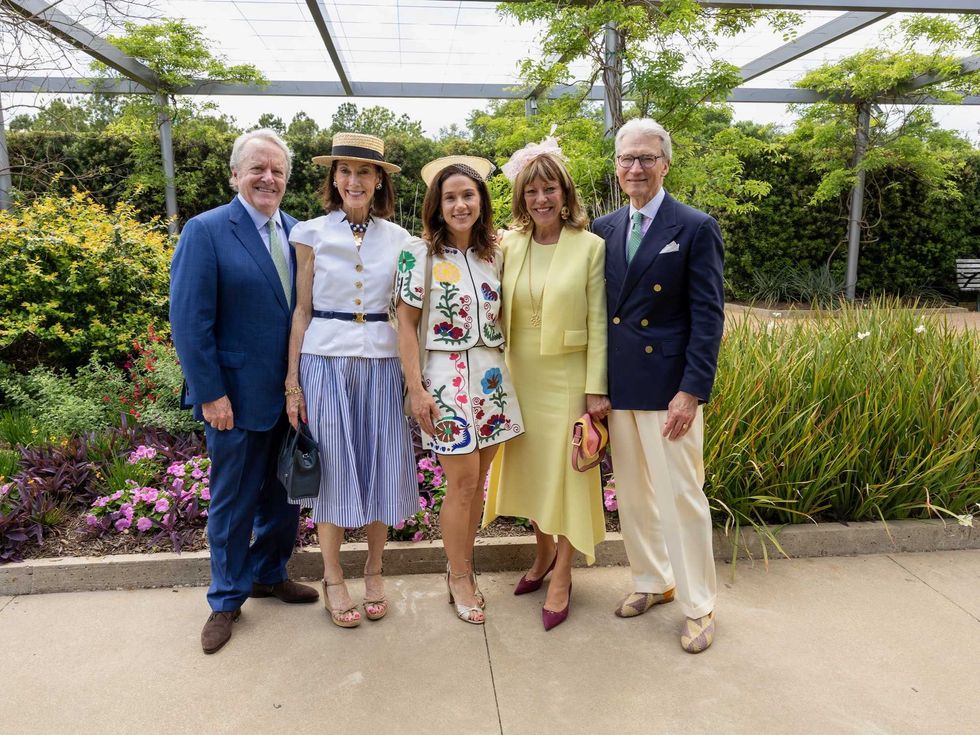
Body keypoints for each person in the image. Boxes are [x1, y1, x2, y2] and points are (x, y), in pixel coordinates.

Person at [170, 128, 319, 656]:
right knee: (233, 502)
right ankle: (226, 599)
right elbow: (189, 322)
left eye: (277, 170)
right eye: (257, 168)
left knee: (285, 495)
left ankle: (269, 574)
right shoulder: (206, 231)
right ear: (235, 174)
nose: (268, 178)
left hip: (292, 395)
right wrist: (210, 394)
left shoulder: (301, 234)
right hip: (233, 398)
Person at [592, 118, 725, 653]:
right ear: (616, 166)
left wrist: (691, 392)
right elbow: (599, 313)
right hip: (620, 385)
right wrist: (595, 387)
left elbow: (708, 316)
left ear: (665, 164)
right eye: (627, 158)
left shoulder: (694, 226)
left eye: (647, 158)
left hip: (670, 389)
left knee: (681, 498)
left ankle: (699, 606)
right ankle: (653, 581)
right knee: (633, 496)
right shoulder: (602, 229)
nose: (636, 167)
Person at [284, 132, 418, 628]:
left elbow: (409, 314)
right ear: (334, 178)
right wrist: (292, 382)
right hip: (324, 361)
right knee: (334, 470)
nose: (354, 180)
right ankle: (333, 577)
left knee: (381, 463)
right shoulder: (310, 233)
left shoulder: (401, 239)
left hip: (381, 362)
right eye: (345, 171)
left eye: (364, 171)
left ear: (379, 179)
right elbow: (301, 311)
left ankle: (375, 570)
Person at [482, 139, 610, 631]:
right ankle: (541, 555)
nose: (541, 199)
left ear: (564, 193)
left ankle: (563, 574)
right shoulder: (508, 244)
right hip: (520, 375)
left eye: (549, 189)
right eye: (531, 191)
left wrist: (596, 389)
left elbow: (598, 322)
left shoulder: (590, 246)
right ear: (521, 196)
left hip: (568, 378)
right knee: (534, 475)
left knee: (568, 478)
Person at [396, 156, 524, 625]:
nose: (460, 205)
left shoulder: (496, 253)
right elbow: (404, 325)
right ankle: (460, 577)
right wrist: (415, 389)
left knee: (478, 482)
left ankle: (461, 565)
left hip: (491, 379)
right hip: (443, 379)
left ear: (481, 201)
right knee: (462, 483)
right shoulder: (418, 253)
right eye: (450, 197)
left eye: (468, 195)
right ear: (437, 204)